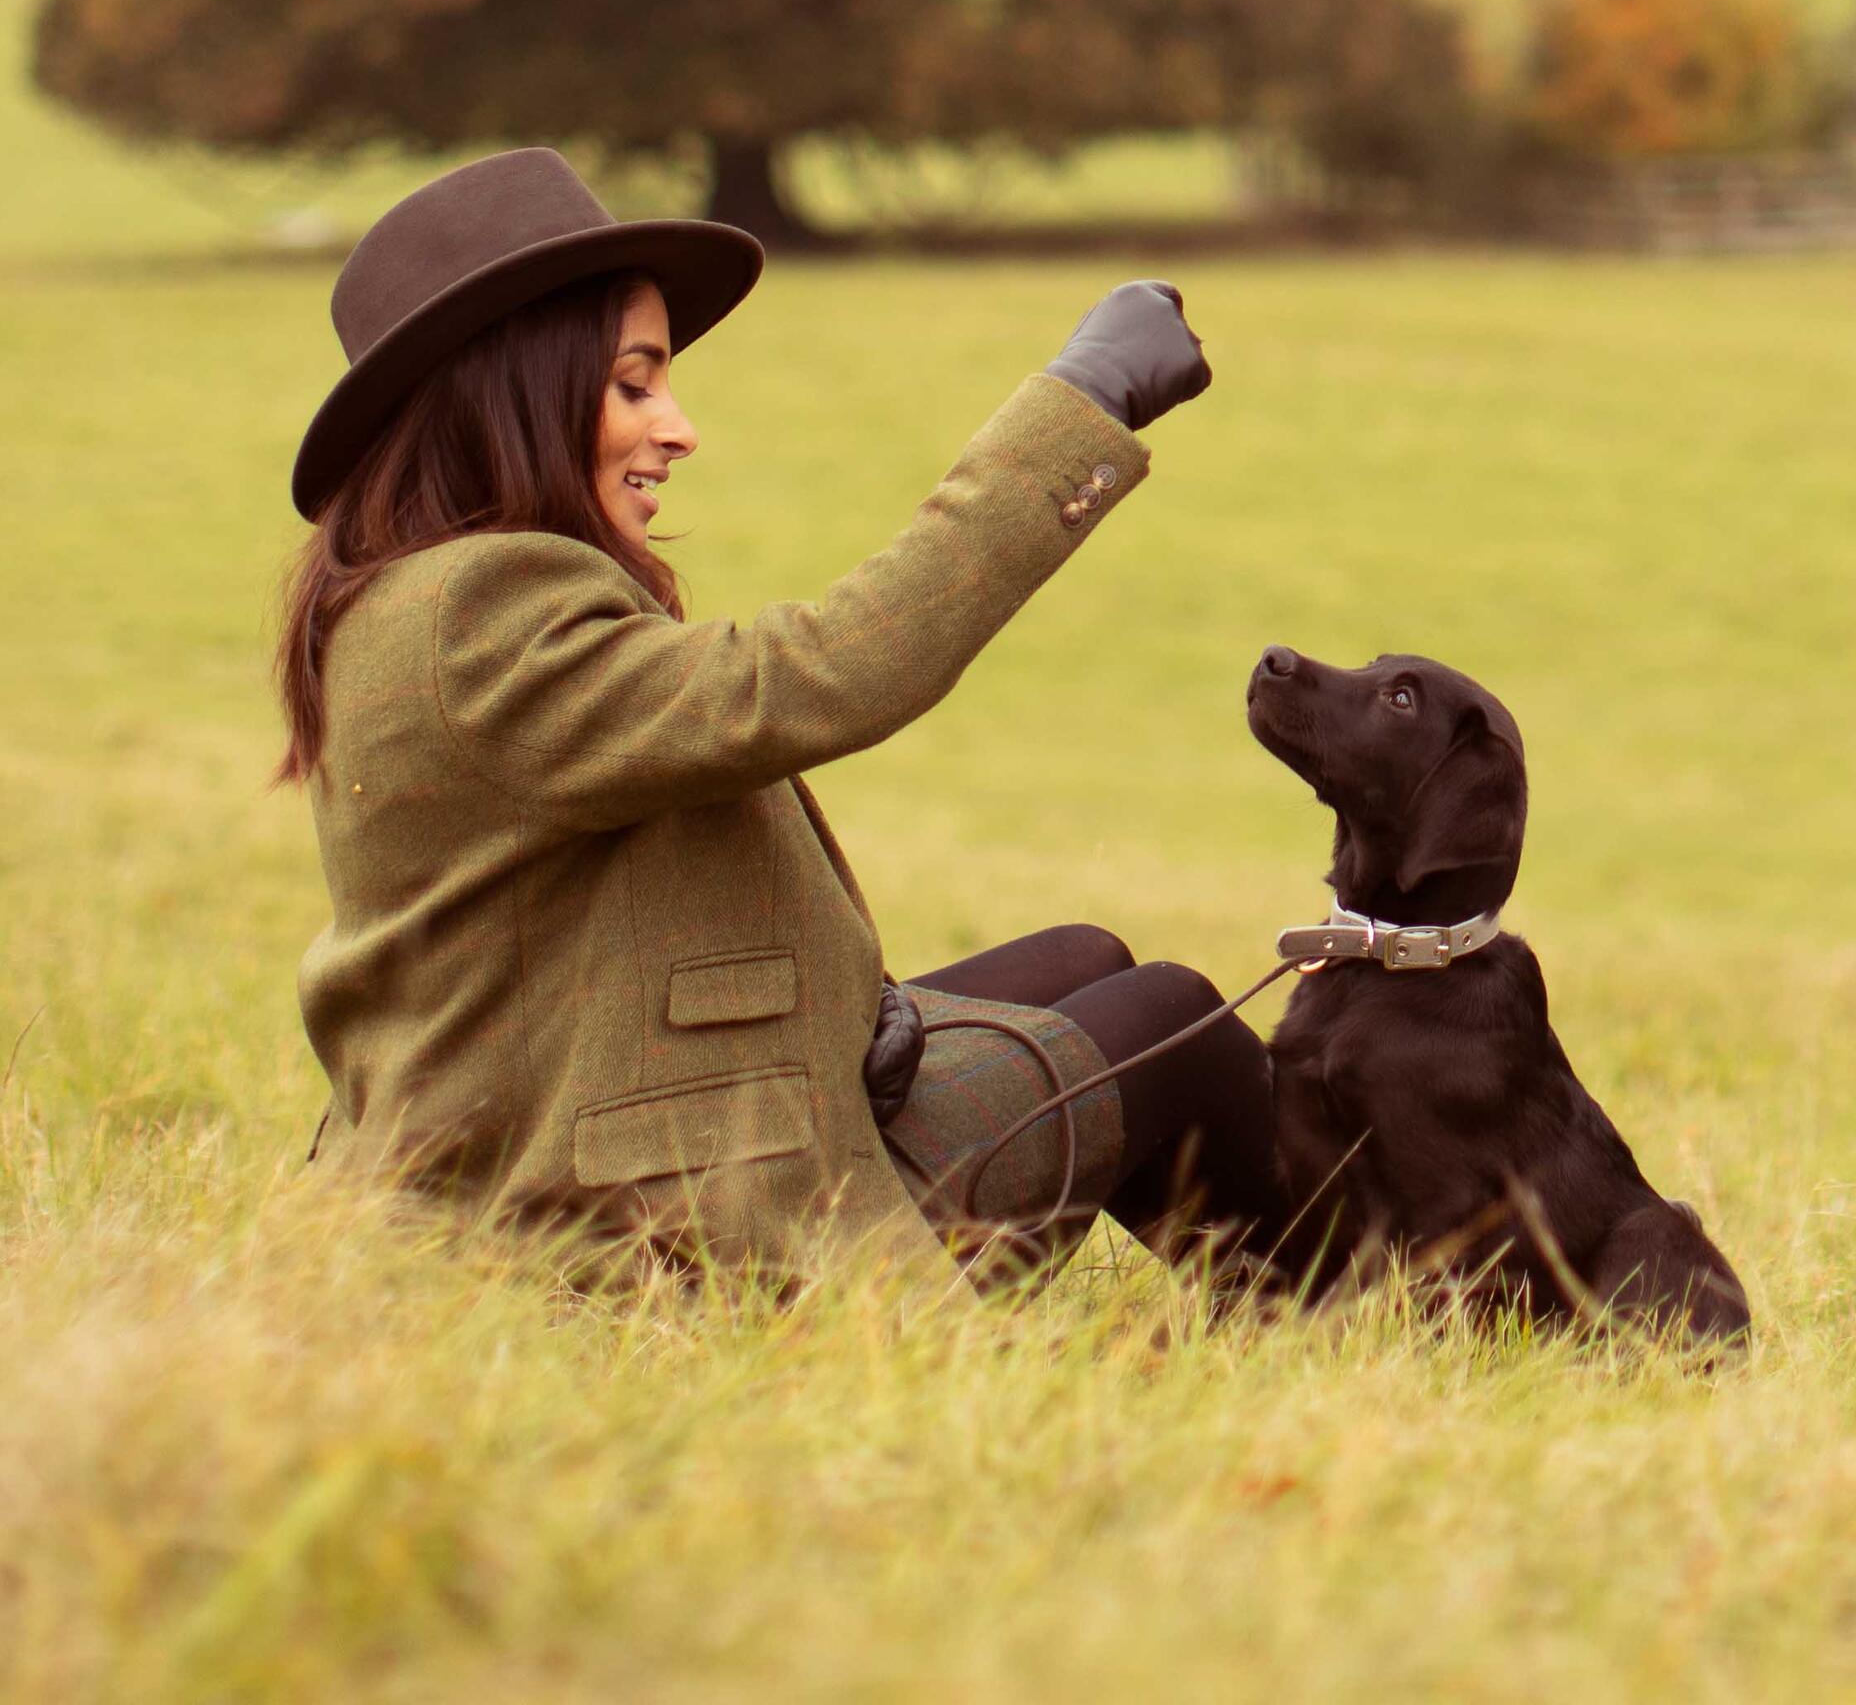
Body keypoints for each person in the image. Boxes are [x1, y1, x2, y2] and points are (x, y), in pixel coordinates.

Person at [274, 147, 1289, 1303]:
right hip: (642, 1224)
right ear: (510, 392)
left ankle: (1269, 1310)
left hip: (571, 1137)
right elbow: (817, 675)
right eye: (633, 384)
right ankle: (1377, 1320)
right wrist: (1080, 401)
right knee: (1169, 1020)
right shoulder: (477, 609)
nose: (678, 426)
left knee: (1085, 961)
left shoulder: (402, 600)